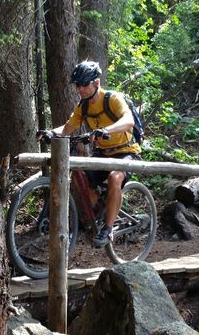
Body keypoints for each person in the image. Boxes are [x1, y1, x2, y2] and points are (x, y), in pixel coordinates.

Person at [43, 60, 141, 247]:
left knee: (114, 178)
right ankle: (100, 211)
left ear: (96, 83)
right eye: (78, 85)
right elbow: (67, 127)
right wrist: (50, 132)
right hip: (103, 153)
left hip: (126, 152)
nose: (80, 89)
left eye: (84, 84)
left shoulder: (112, 99)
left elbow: (129, 121)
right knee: (83, 181)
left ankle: (108, 228)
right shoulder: (84, 106)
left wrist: (107, 130)